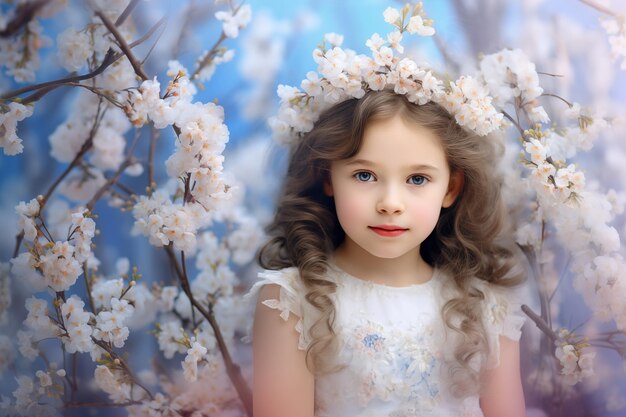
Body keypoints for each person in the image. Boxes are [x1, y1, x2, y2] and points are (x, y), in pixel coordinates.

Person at [244, 6, 528, 417]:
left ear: (451, 188)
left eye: (417, 180)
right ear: (328, 179)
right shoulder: (291, 301)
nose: (390, 202)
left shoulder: (486, 307)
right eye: (364, 175)